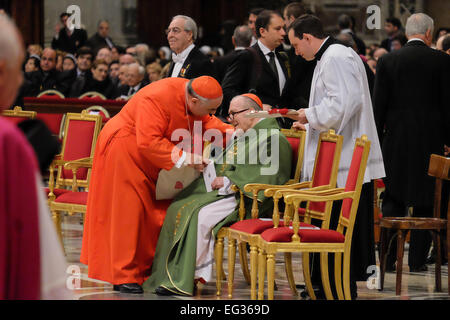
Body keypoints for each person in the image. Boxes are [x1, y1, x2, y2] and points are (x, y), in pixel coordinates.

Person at [80, 76, 233, 294]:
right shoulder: (156, 98)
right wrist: (185, 157)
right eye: (211, 109)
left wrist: (233, 133)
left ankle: (147, 269)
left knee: (154, 212)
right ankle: (123, 274)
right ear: (194, 101)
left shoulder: (196, 98)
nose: (213, 114)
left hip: (154, 159)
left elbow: (206, 122)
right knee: (129, 214)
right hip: (125, 150)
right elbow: (149, 140)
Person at [145, 93, 292, 296]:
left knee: (200, 216)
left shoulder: (273, 138)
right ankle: (170, 272)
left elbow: (273, 176)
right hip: (229, 193)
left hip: (248, 200)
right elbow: (230, 163)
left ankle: (191, 275)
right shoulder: (246, 134)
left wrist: (230, 180)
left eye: (233, 114)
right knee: (179, 205)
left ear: (250, 112)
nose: (230, 120)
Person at [287, 14, 385, 299]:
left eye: (296, 45)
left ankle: (337, 285)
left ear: (307, 37)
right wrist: (310, 121)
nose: (296, 52)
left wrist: (309, 114)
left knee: (343, 227)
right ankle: (325, 283)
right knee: (331, 223)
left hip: (343, 159)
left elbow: (344, 104)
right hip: (339, 156)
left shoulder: (335, 57)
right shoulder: (332, 55)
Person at [373, 13, 450, 272]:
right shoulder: (441, 61)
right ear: (429, 33)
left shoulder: (386, 60)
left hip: (394, 141)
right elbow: (448, 106)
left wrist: (377, 139)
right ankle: (417, 260)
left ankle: (387, 259)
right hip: (431, 142)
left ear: (407, 33)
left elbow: (378, 107)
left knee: (393, 198)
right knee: (426, 201)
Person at [0, 13, 70, 300]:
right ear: (2, 71)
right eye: (19, 70)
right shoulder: (7, 142)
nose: (20, 81)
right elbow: (39, 260)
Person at [221, 10, 293, 128]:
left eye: (284, 28)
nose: (283, 33)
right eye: (278, 28)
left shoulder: (282, 56)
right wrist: (255, 106)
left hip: (279, 125)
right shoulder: (247, 56)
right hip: (253, 127)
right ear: (262, 31)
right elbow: (228, 90)